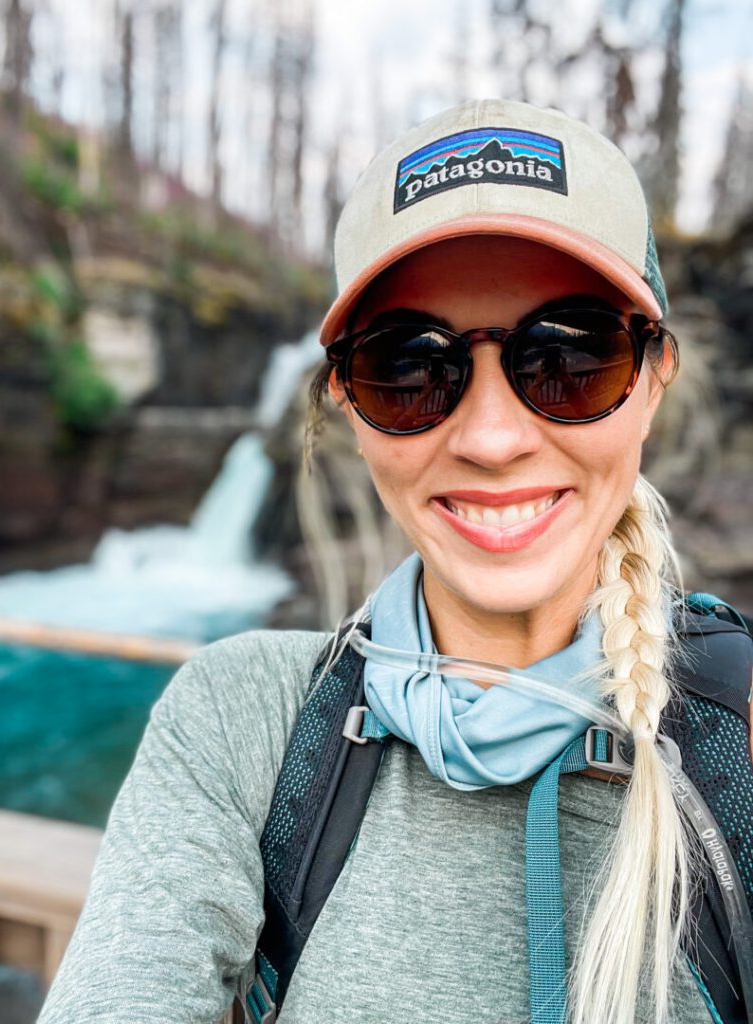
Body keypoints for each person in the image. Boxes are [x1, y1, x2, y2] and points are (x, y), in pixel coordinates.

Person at [37, 100, 752, 1024]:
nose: (493, 439)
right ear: (343, 399)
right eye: (409, 371)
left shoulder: (737, 735)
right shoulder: (238, 723)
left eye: (571, 359)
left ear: (654, 377)